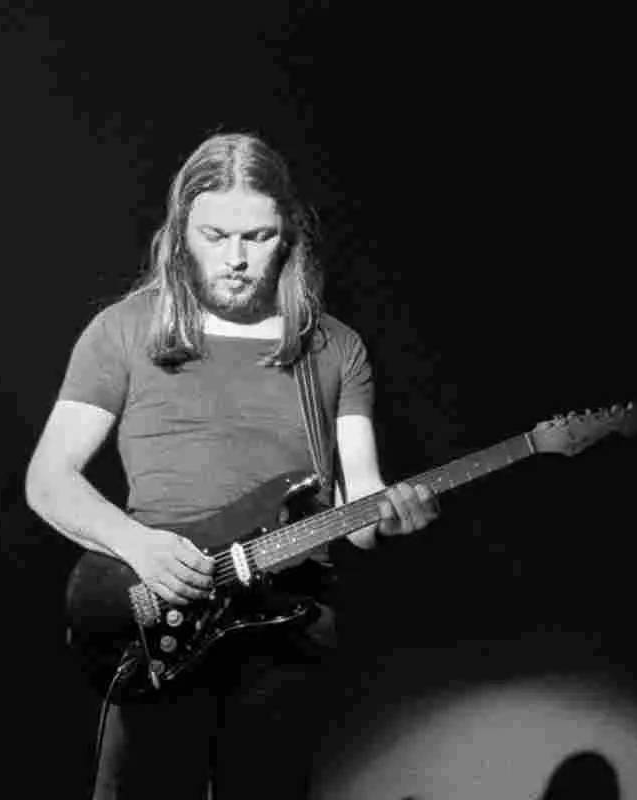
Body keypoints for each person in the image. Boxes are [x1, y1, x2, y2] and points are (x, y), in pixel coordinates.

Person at [24, 132, 438, 799]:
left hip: (286, 626)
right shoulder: (124, 331)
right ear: (180, 232)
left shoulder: (335, 349)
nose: (237, 259)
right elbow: (48, 480)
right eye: (215, 236)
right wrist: (139, 546)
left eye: (258, 237)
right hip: (165, 612)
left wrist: (393, 513)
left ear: (290, 236)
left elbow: (360, 509)